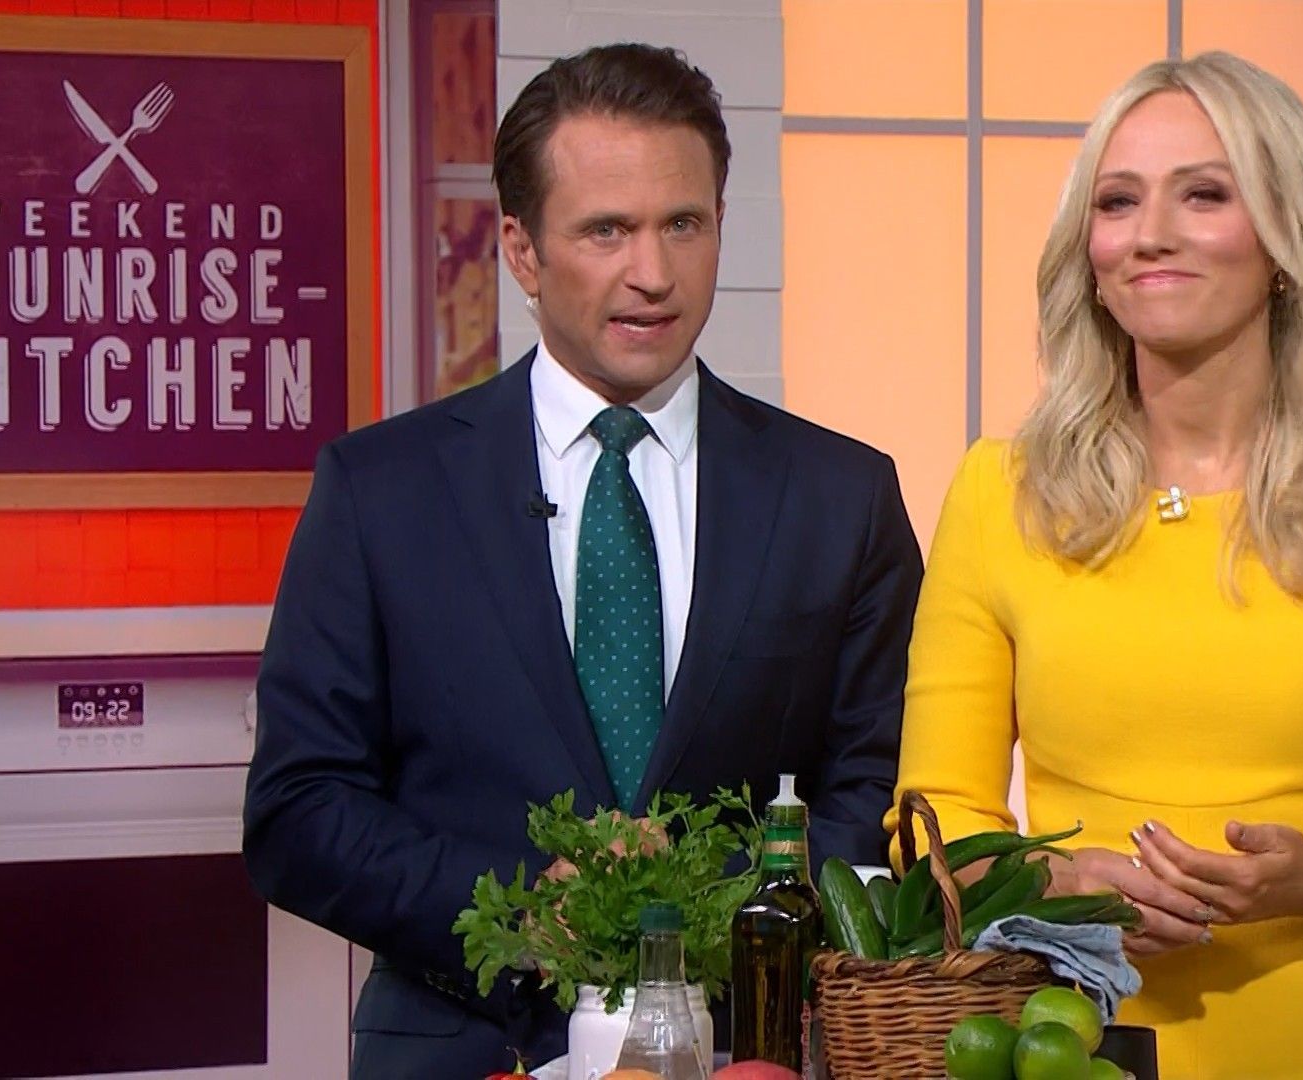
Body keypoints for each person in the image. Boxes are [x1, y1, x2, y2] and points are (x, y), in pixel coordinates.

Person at [244, 43, 923, 1078]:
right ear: (520, 251)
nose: (652, 273)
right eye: (606, 230)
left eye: (683, 225)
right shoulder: (380, 491)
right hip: (465, 1046)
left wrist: (701, 917)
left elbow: (875, 789)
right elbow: (300, 812)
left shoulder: (841, 496)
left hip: (751, 1049)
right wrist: (534, 912)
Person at [889, 52, 1303, 1078]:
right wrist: (1059, 882)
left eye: (1204, 194)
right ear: (1090, 255)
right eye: (1118, 202)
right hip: (1079, 1042)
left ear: (1285, 240)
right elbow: (929, 824)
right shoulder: (1000, 495)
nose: (1150, 232)